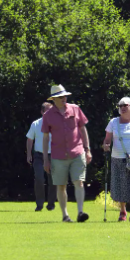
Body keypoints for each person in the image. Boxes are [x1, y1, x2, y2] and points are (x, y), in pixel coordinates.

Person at [41, 85, 92, 223]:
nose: (64, 98)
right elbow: (45, 138)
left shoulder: (75, 109)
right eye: (60, 97)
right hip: (58, 156)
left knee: (79, 182)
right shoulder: (48, 116)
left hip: (77, 152)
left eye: (65, 96)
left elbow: (83, 129)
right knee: (61, 186)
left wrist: (87, 149)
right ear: (54, 100)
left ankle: (80, 212)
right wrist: (46, 159)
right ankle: (65, 215)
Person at [26, 102, 57, 212]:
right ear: (42, 112)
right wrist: (29, 154)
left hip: (53, 155)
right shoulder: (35, 124)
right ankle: (39, 204)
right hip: (39, 155)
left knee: (53, 180)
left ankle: (51, 204)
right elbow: (30, 139)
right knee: (39, 178)